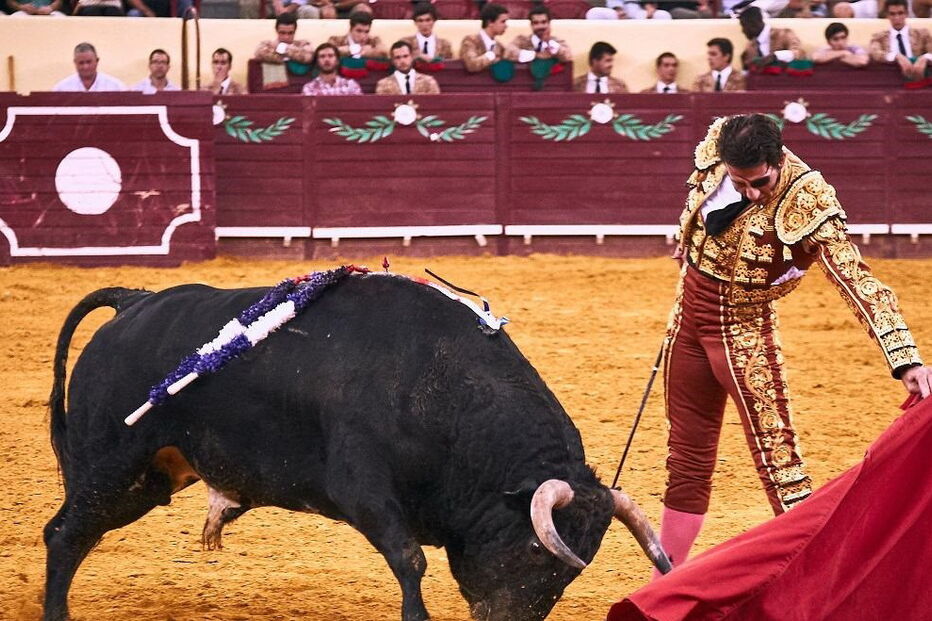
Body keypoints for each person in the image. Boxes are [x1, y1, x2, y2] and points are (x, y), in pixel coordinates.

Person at [653, 113, 932, 574]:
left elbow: (857, 280)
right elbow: (697, 201)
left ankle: (817, 581)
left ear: (779, 160)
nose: (751, 193)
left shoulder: (807, 197)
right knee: (685, 460)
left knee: (781, 469)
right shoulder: (719, 146)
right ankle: (662, 580)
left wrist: (906, 359)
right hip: (687, 321)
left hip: (743, 333)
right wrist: (688, 238)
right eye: (739, 183)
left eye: (760, 182)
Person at [868, 0, 931, 82]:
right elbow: (874, 53)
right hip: (891, 81)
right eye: (892, 14)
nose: (897, 18)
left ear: (907, 14)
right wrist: (896, 56)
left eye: (900, 13)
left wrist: (924, 58)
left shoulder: (922, 34)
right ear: (887, 15)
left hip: (919, 80)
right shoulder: (879, 38)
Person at [738, 6, 804, 72]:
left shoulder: (784, 34)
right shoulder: (750, 46)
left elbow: (798, 53)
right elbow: (747, 71)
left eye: (744, 26)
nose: (743, 31)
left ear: (754, 23)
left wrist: (775, 56)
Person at [459, 3, 520, 73]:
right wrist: (491, 56)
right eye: (503, 22)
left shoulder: (499, 46)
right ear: (490, 22)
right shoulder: (470, 41)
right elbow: (471, 65)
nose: (506, 26)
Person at [53, 42, 126, 92]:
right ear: (75, 63)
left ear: (97, 61)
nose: (85, 67)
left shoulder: (116, 87)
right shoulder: (61, 88)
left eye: (89, 62)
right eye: (81, 63)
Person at [375, 41, 440, 94]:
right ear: (392, 61)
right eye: (397, 57)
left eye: (405, 56)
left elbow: (436, 103)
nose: (402, 61)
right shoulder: (383, 85)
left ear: (412, 57)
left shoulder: (428, 82)